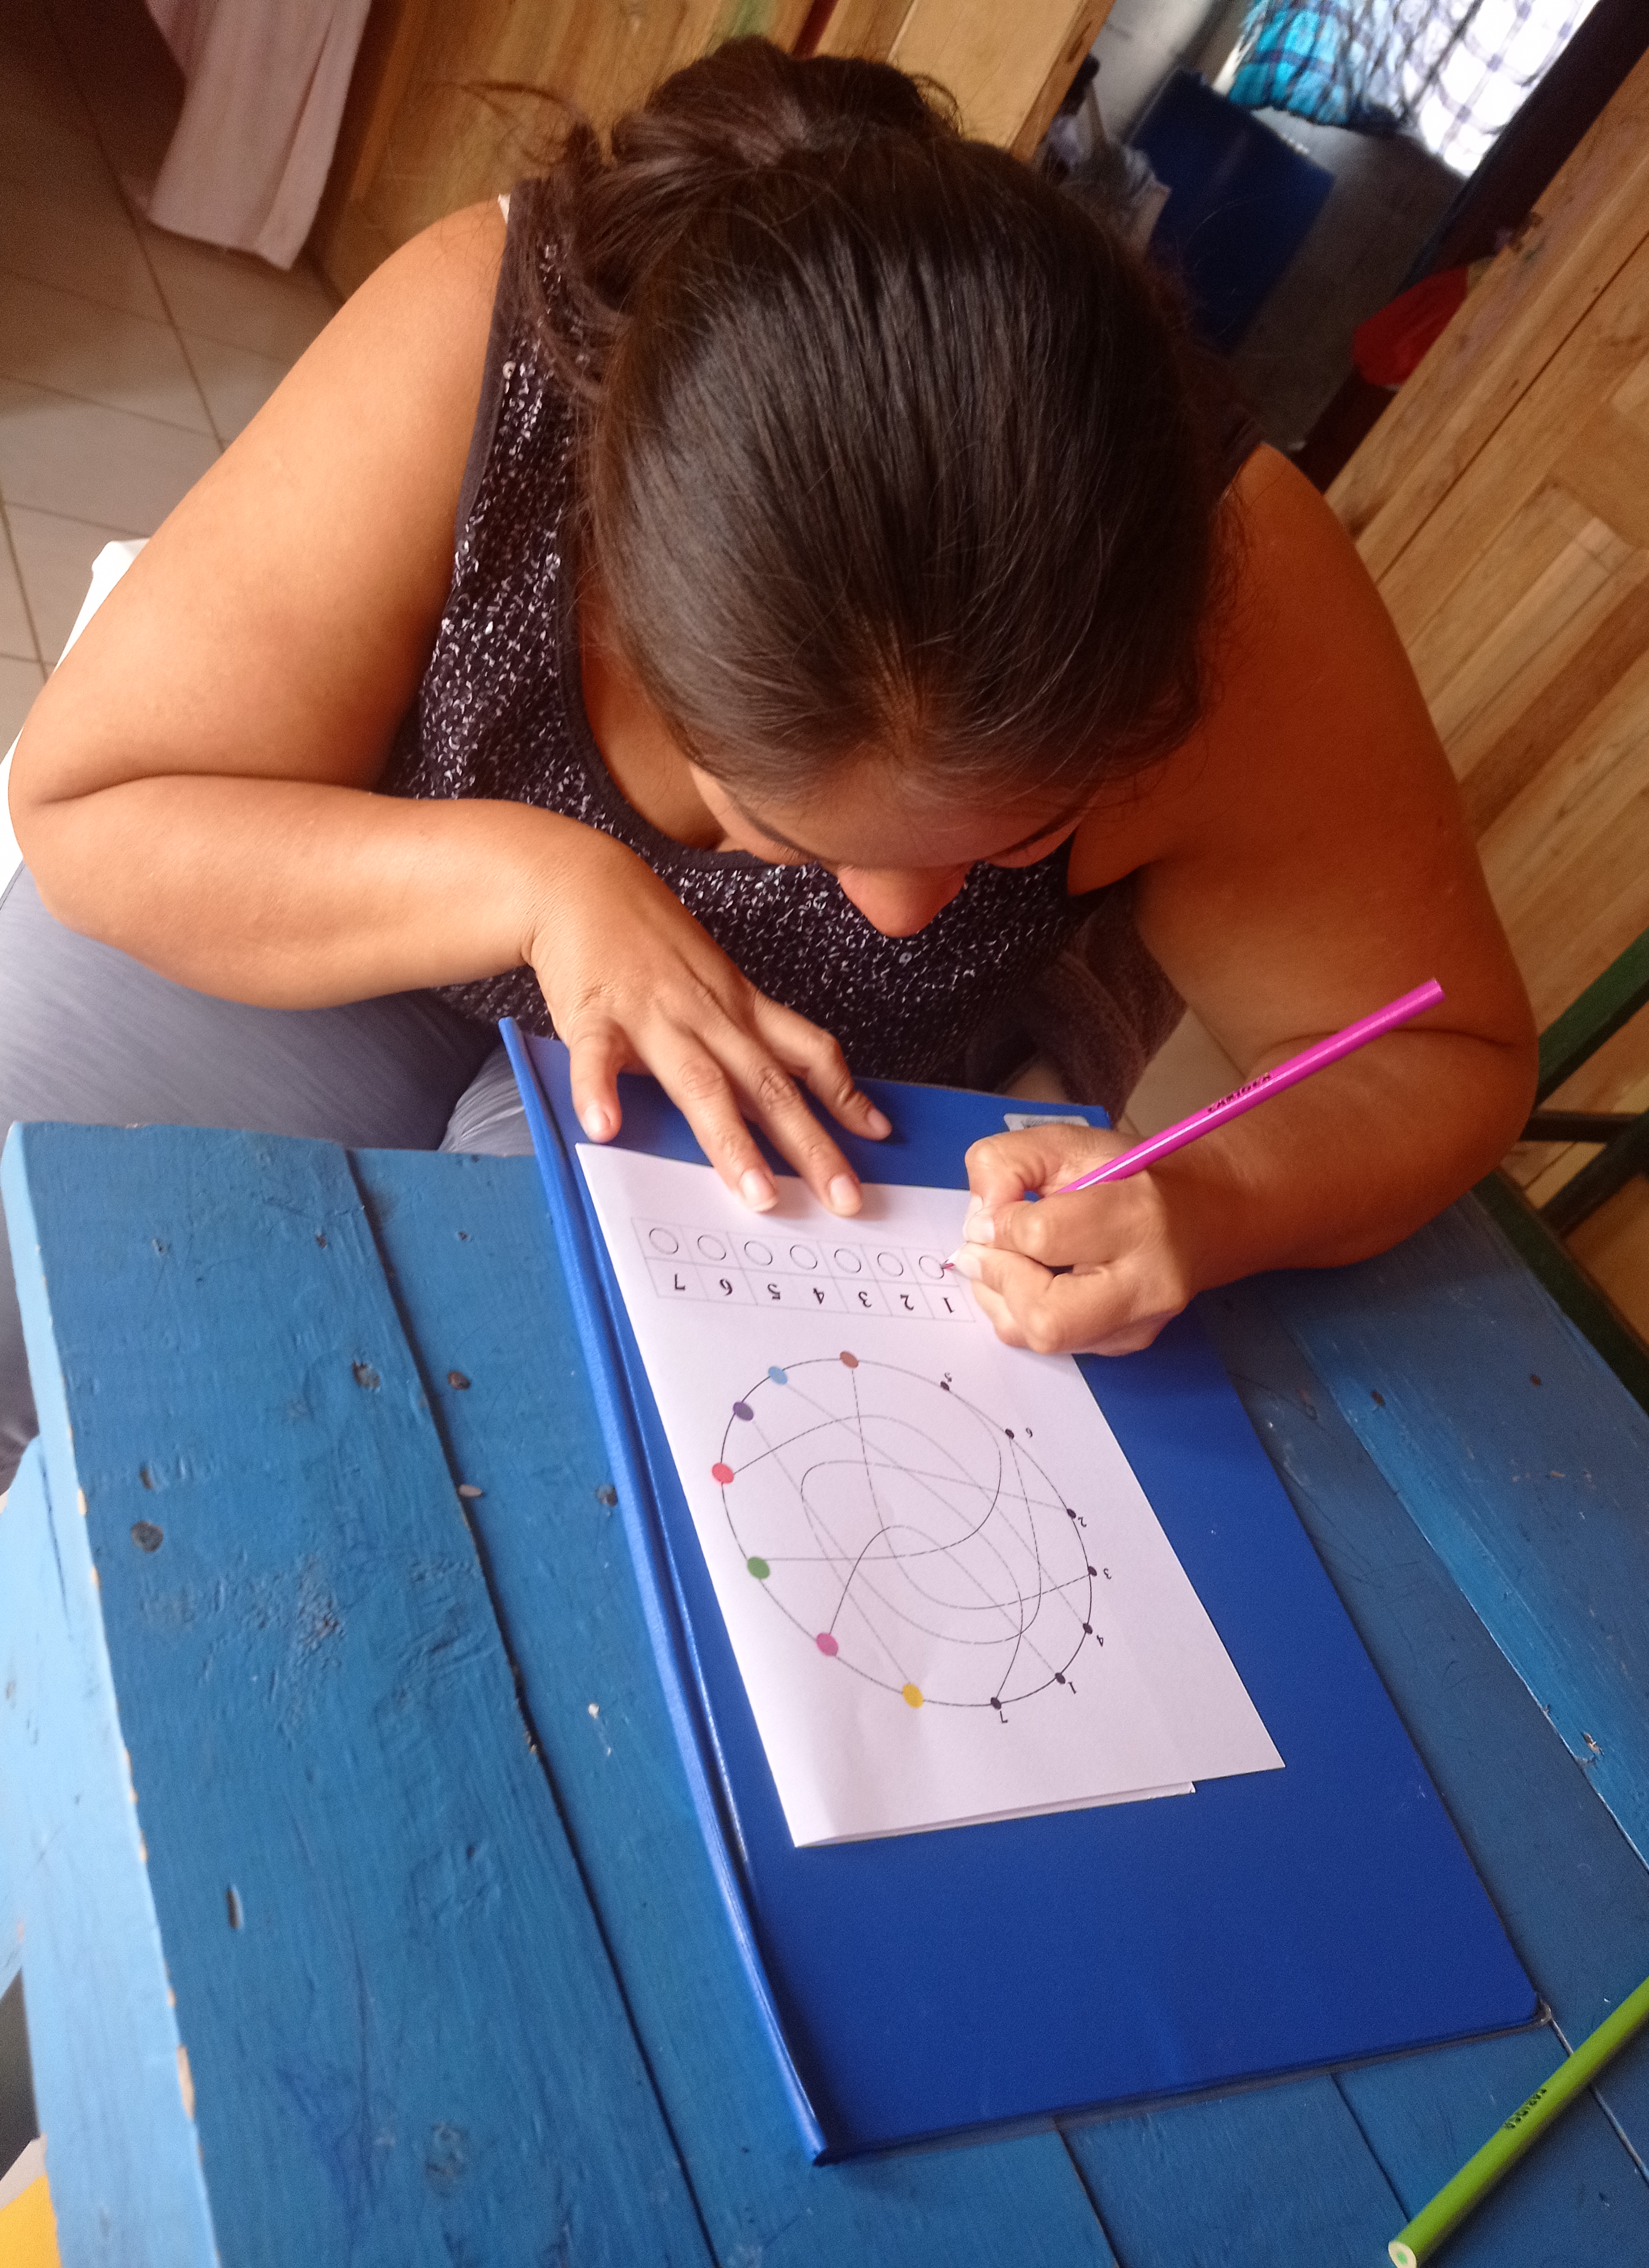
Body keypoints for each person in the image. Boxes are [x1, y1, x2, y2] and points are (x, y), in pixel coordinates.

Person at [0, 40, 1534, 1495]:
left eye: (1022, 831)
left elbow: (1441, 1052)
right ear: (611, 591)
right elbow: (93, 804)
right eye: (783, 834)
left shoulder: (1236, 595)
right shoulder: (497, 359)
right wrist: (537, 880)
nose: (898, 916)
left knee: (514, 1484)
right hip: (343, 899)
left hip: (803, 1103)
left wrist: (1218, 1198)